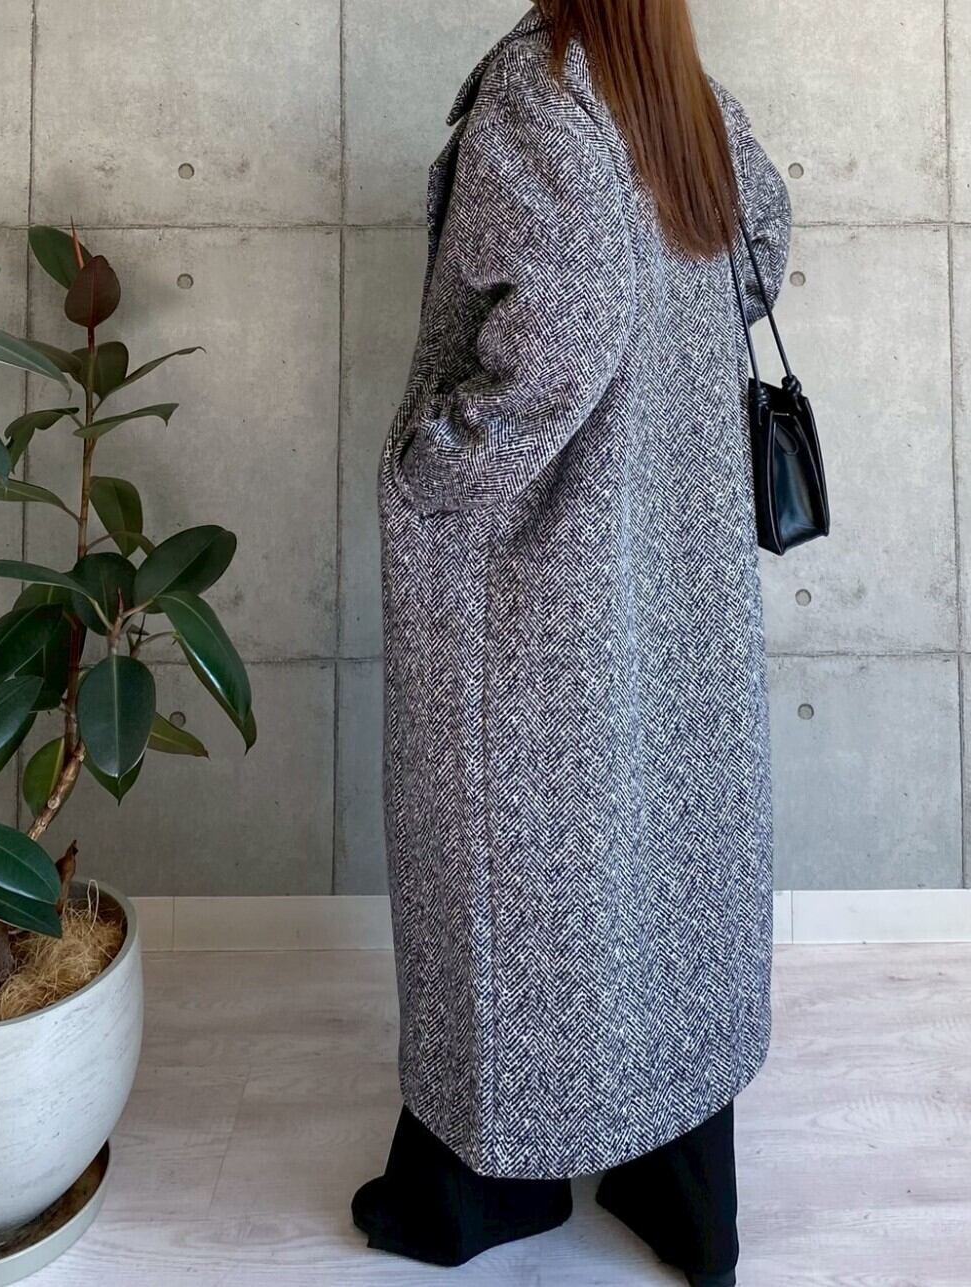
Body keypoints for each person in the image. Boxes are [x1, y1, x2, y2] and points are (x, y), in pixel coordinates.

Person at [355, 2, 791, 1283]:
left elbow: (563, 328)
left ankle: (488, 1185)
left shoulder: (543, 93)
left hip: (540, 574)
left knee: (512, 871)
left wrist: (432, 471)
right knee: (661, 863)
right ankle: (678, 1178)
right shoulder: (675, 91)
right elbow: (758, 244)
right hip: (674, 556)